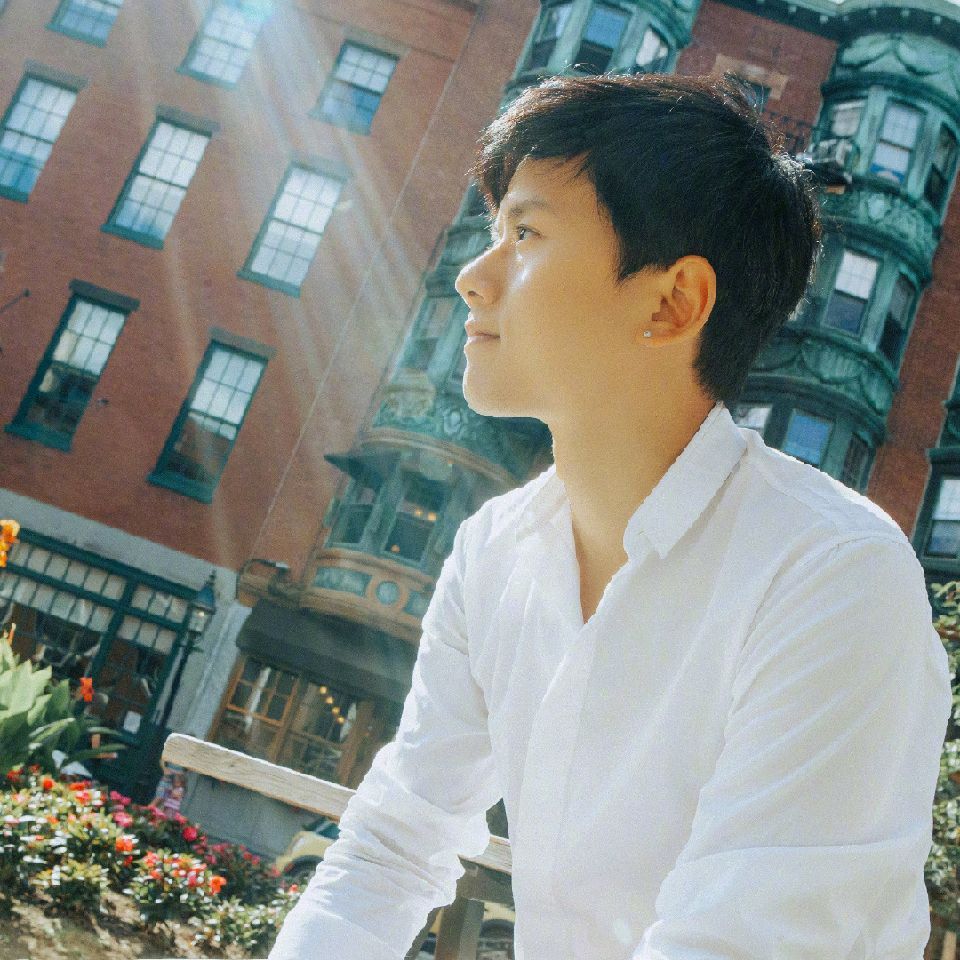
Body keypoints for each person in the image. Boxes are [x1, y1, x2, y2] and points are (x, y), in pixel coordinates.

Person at [268, 72, 952, 960]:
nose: (473, 278)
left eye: (526, 233)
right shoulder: (494, 551)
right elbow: (390, 851)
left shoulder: (832, 576)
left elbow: (737, 946)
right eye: (494, 232)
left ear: (672, 303)